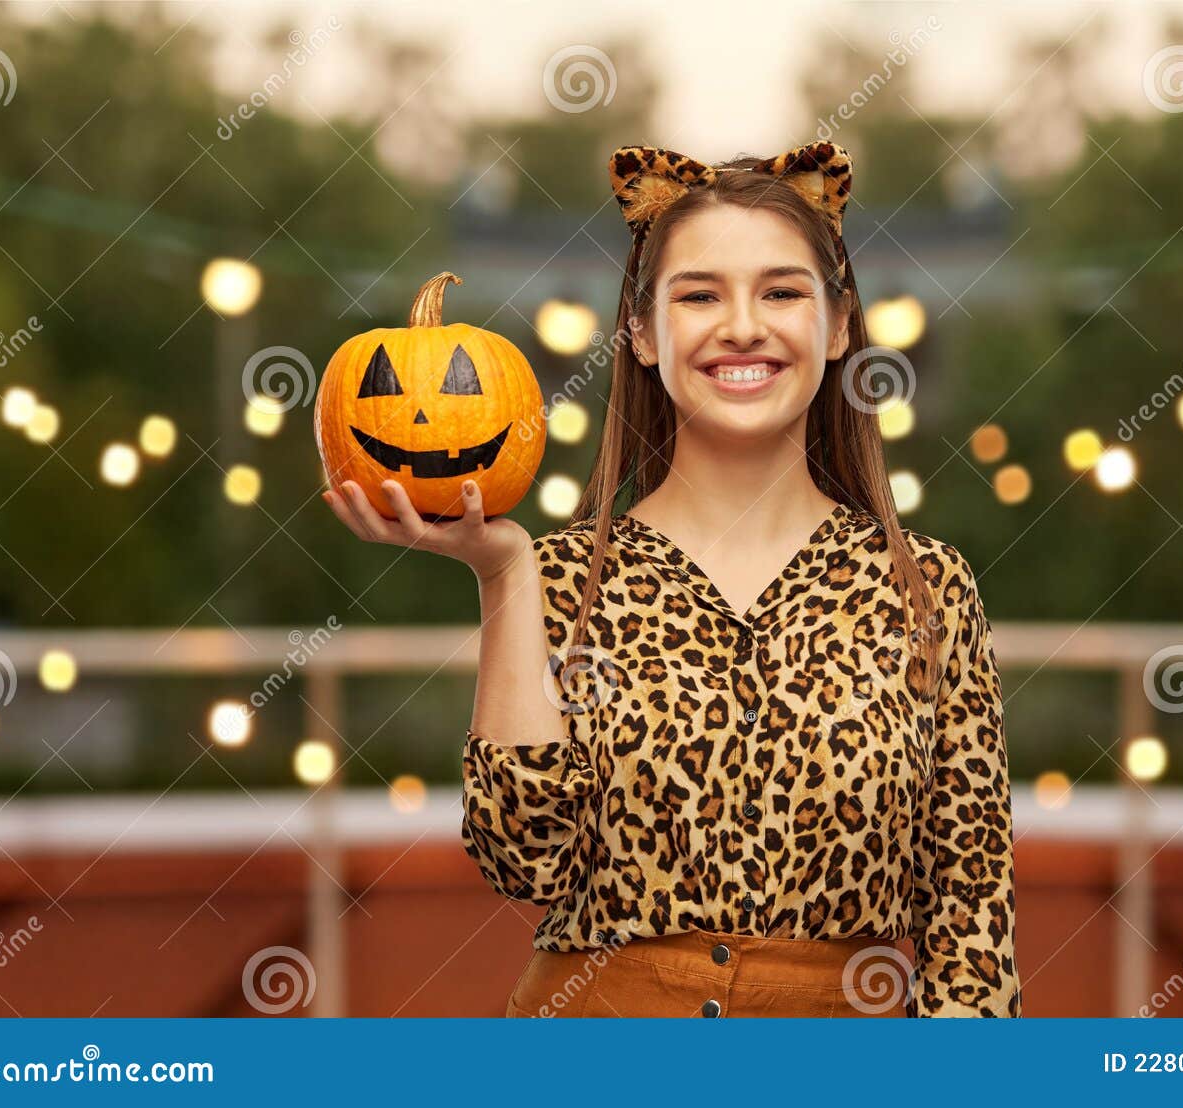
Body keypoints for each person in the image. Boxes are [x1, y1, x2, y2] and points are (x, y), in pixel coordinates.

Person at [323, 140, 1020, 1018]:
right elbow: (522, 861)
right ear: (643, 334)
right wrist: (505, 578)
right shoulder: (561, 578)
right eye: (699, 295)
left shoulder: (929, 589)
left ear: (840, 327)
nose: (741, 327)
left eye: (781, 292)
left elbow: (974, 930)